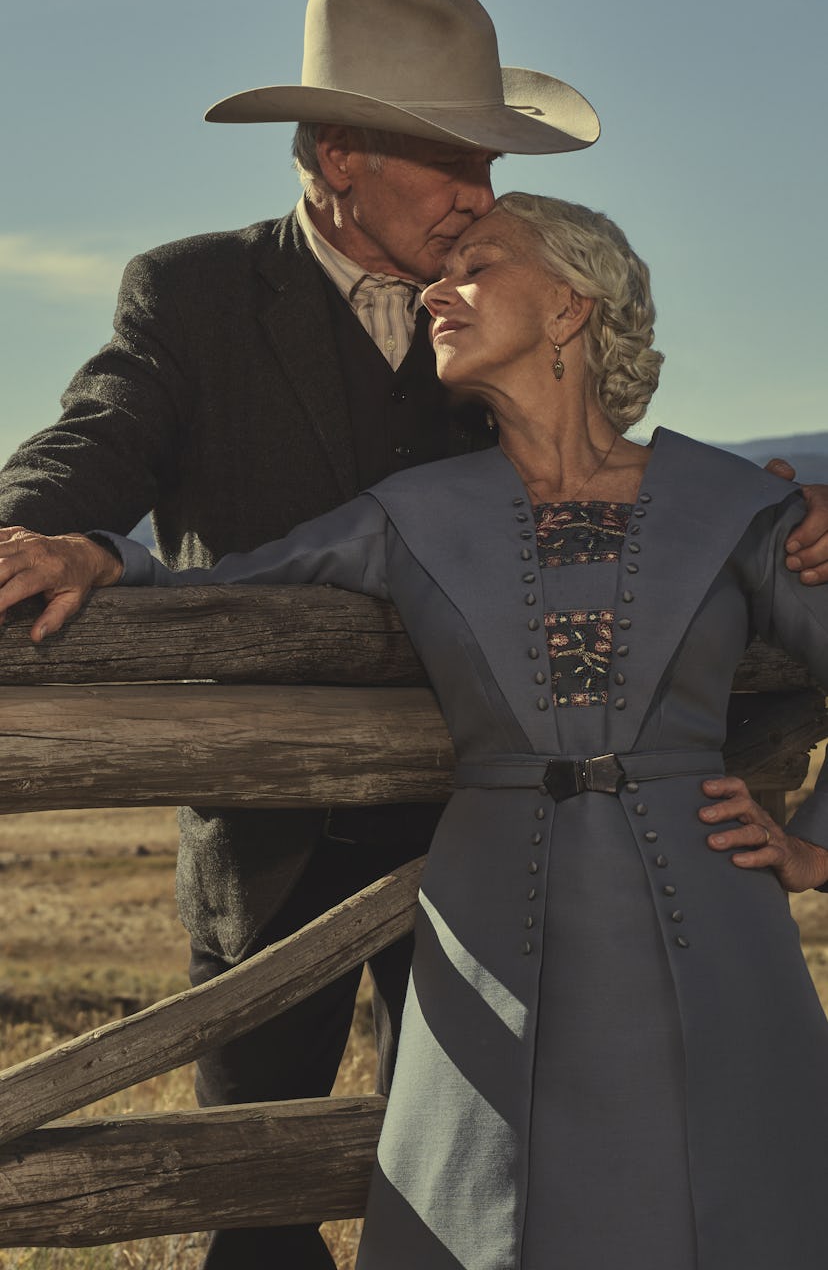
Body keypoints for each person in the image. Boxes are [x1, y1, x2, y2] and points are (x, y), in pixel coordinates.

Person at [2, 192, 828, 1270]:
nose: (437, 288)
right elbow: (231, 586)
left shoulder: (741, 506)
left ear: (573, 307)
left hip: (712, 916)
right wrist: (99, 555)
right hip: (491, 920)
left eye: (477, 267)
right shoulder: (409, 512)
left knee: (727, 1204)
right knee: (483, 1211)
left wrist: (815, 844)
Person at [0, 0, 607, 1270]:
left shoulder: (509, 310)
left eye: (489, 166)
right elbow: (104, 432)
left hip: (479, 828)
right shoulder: (194, 295)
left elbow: (603, 484)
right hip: (262, 840)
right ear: (339, 155)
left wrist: (755, 516)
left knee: (481, 1177)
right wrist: (38, 526)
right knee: (257, 1190)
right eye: (451, 162)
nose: (481, 197)